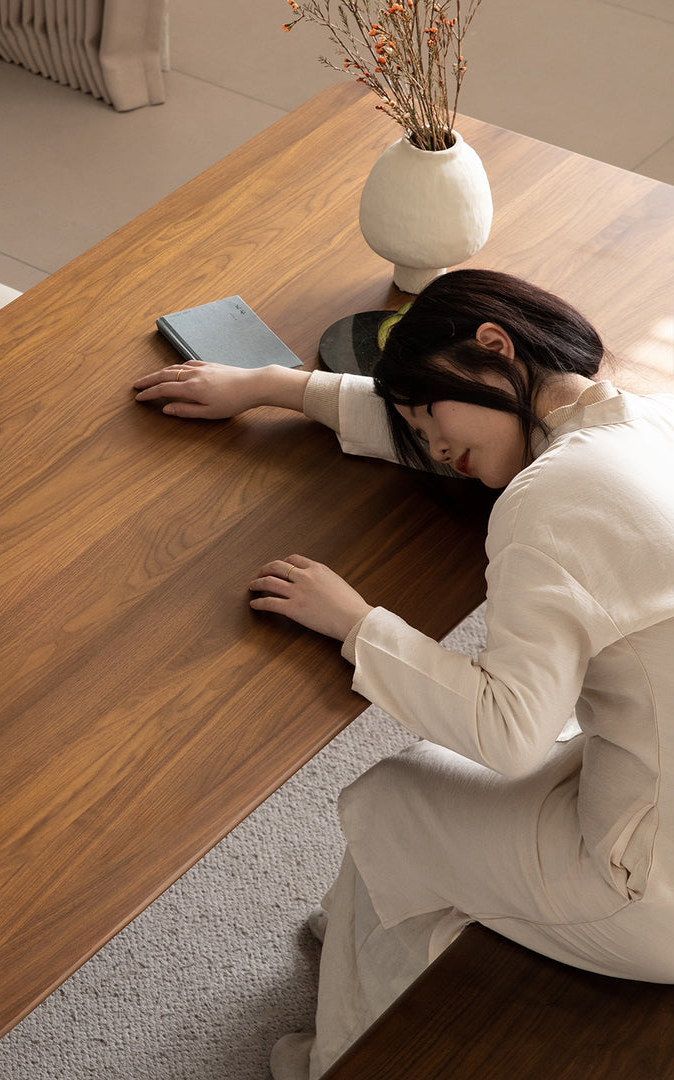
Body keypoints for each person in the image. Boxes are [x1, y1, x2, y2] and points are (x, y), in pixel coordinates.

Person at [132, 269, 674, 1078]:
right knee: (424, 789)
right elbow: (458, 437)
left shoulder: (552, 496)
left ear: (493, 344)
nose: (433, 449)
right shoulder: (642, 421)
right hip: (653, 782)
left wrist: (358, 625)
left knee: (391, 801)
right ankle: (363, 918)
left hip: (650, 888)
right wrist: (271, 386)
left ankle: (334, 1061)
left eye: (427, 414)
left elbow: (511, 735)